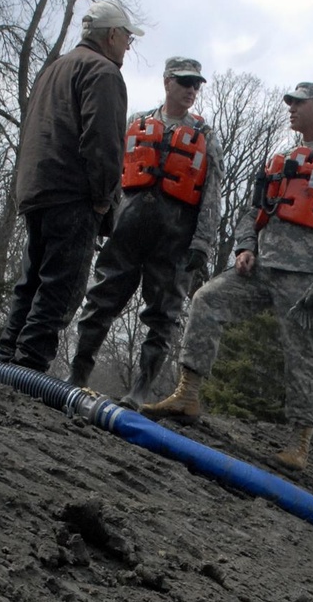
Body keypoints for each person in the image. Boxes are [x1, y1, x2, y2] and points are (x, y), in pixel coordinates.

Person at [142, 81, 313, 473]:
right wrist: (245, 248)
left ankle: (299, 442)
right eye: (290, 103)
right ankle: (188, 393)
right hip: (262, 266)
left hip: (307, 276)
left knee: (303, 355)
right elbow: (252, 210)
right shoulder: (281, 158)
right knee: (207, 300)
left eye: (299, 103)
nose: (291, 109)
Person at [0, 0, 144, 372]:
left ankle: (2, 365)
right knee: (60, 290)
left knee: (30, 284)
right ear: (111, 36)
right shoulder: (103, 73)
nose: (128, 45)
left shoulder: (54, 69)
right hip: (73, 194)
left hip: (36, 190)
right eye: (128, 38)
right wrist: (102, 200)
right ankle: (28, 370)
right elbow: (104, 140)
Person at [68, 57, 223, 408]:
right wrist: (101, 219)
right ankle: (78, 373)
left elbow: (212, 192)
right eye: (184, 82)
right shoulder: (136, 124)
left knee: (163, 314)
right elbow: (114, 176)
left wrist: (203, 242)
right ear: (167, 81)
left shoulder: (205, 137)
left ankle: (139, 391)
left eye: (196, 84)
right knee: (101, 300)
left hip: (175, 237)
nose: (191, 90)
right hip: (128, 228)